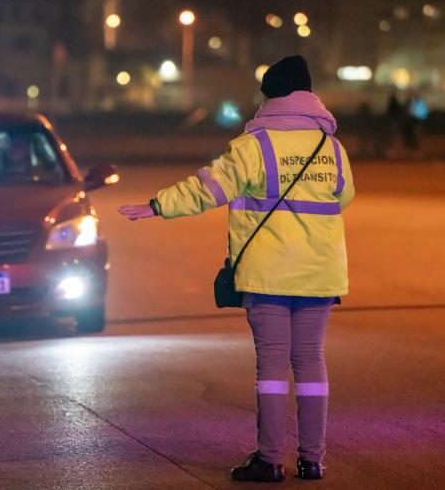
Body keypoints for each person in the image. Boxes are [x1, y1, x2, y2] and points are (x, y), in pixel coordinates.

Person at [118, 55, 355, 482]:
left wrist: (156, 206)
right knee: (310, 362)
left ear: (271, 98)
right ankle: (313, 459)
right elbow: (343, 197)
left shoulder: (255, 146)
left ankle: (269, 460)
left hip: (268, 275)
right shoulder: (331, 147)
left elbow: (206, 189)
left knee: (272, 368)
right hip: (319, 275)